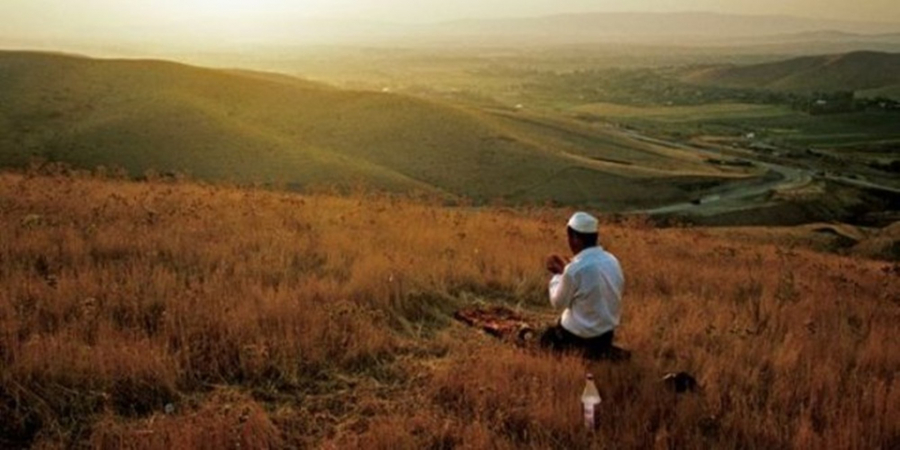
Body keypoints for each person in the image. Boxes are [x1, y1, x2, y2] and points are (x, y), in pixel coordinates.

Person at [540, 212, 625, 360]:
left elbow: (558, 302)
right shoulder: (612, 260)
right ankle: (603, 353)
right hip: (606, 335)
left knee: (546, 339)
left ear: (574, 238)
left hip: (579, 337)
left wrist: (557, 276)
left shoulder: (574, 270)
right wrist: (566, 271)